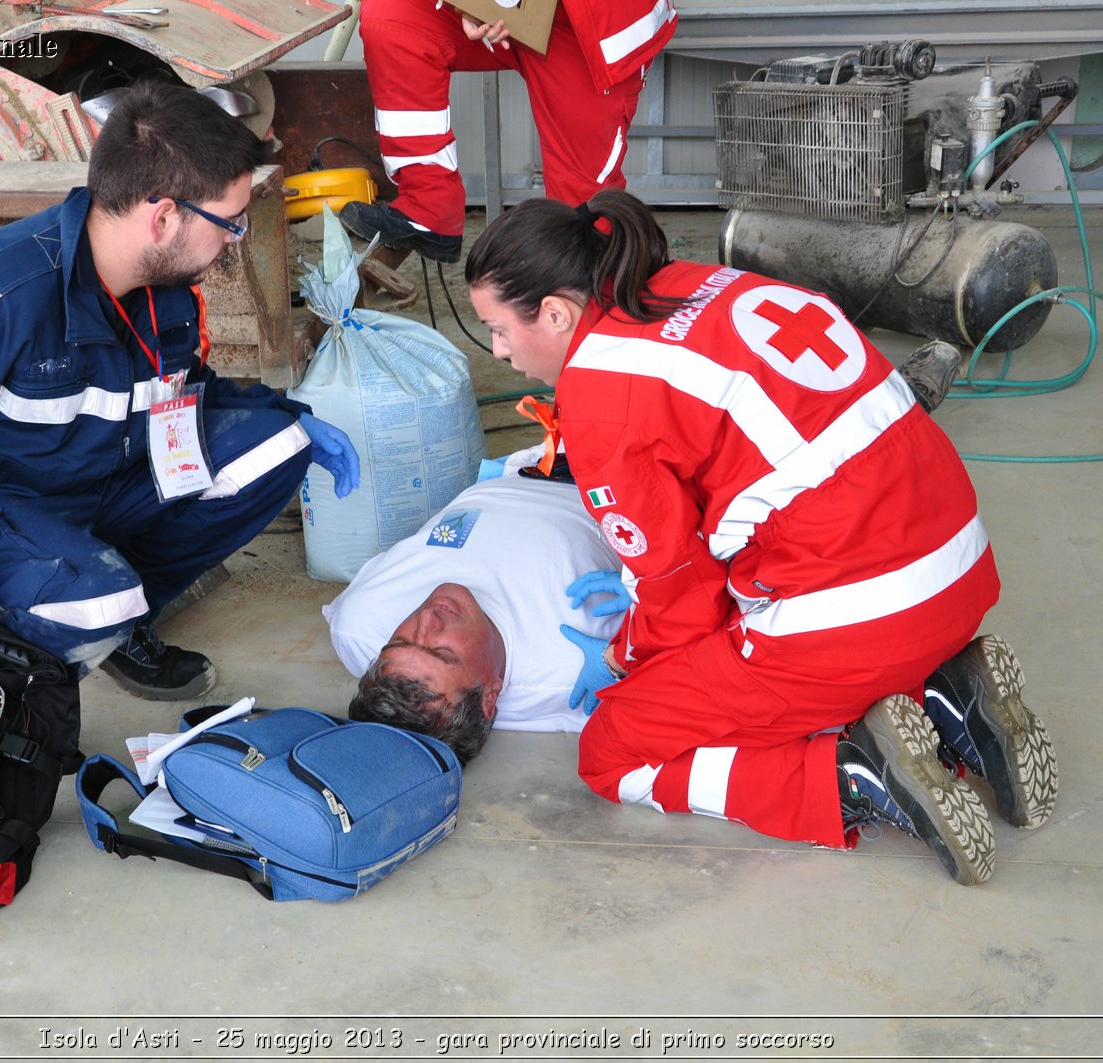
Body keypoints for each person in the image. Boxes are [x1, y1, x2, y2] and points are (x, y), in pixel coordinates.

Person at [461, 189, 1058, 884]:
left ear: (557, 313)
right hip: (957, 566)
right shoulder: (694, 282)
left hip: (863, 615)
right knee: (766, 610)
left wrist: (629, 655)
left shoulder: (600, 397)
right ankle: (951, 699)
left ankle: (851, 773)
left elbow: (681, 604)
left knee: (614, 747)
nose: (500, 352)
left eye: (498, 328)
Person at [0, 81, 360, 700]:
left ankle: (118, 616)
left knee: (278, 443)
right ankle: (17, 648)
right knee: (96, 603)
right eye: (230, 223)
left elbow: (175, 393)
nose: (235, 240)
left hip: (97, 477)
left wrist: (284, 414)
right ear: (164, 216)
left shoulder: (163, 289)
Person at [326, 455, 624, 761]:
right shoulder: (567, 667)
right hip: (619, 477)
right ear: (490, 695)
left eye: (400, 641)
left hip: (522, 464)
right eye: (443, 654)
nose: (427, 619)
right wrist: (628, 649)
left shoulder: (359, 625)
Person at [339, 0, 678, 263]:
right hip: (511, 12)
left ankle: (595, 324)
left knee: (583, 221)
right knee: (395, 15)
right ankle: (429, 208)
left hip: (589, 25)